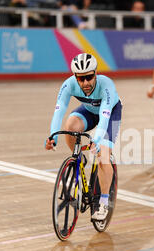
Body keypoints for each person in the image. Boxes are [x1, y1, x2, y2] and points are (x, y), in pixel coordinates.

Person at [45, 53, 122, 221]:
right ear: (75, 77)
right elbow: (59, 111)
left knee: (103, 156)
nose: (86, 83)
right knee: (70, 127)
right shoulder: (68, 85)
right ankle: (79, 158)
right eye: (81, 79)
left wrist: (98, 139)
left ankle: (103, 201)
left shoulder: (106, 85)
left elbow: (104, 116)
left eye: (89, 77)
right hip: (88, 110)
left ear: (95, 73)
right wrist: (53, 136)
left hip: (110, 114)